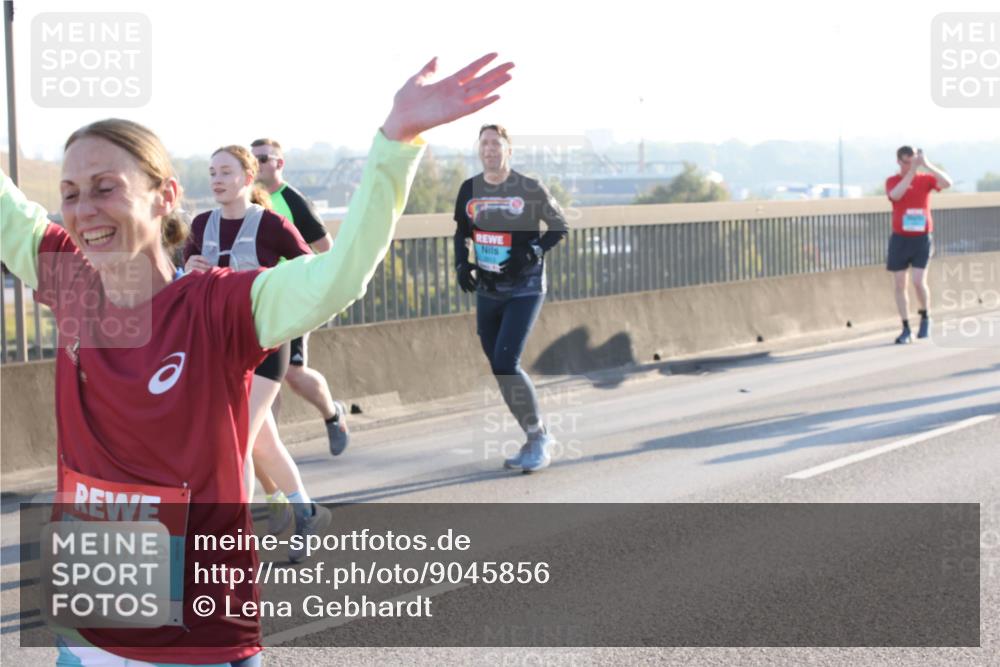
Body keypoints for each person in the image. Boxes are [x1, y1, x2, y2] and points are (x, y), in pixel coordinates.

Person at [1, 53, 512, 666]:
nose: (83, 210)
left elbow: (338, 276)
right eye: (70, 193)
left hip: (200, 641)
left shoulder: (219, 305)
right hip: (88, 633)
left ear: (165, 197)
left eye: (106, 188)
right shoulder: (68, 278)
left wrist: (395, 145)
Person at [183, 144, 329, 561]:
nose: (216, 179)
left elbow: (311, 271)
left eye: (226, 172)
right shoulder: (199, 224)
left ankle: (229, 543)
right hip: (219, 347)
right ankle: (307, 513)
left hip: (265, 344)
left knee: (236, 441)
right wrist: (189, 271)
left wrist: (276, 295)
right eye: (212, 172)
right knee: (262, 442)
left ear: (248, 178)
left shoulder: (272, 225)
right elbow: (182, 279)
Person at [453, 124, 568, 473]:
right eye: (484, 143)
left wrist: (531, 252)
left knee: (506, 362)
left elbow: (559, 226)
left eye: (496, 144)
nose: (489, 149)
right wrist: (462, 263)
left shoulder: (528, 188)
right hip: (489, 290)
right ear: (479, 149)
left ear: (508, 150)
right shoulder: (468, 189)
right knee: (500, 369)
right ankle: (533, 435)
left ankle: (539, 438)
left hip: (525, 288)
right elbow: (462, 230)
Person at [249, 137, 350, 458]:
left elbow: (327, 252)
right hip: (257, 301)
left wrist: (311, 290)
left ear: (280, 163)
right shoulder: (249, 200)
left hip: (292, 299)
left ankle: (333, 414)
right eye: (252, 160)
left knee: (292, 374)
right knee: (261, 378)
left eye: (263, 158)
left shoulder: (294, 201)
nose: (257, 165)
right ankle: (269, 454)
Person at [885, 146, 952, 344]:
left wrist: (927, 164)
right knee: (899, 283)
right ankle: (906, 327)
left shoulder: (925, 179)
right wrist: (911, 172)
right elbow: (895, 195)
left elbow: (947, 183)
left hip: (921, 237)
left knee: (917, 281)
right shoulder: (893, 180)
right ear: (899, 161)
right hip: (900, 238)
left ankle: (925, 316)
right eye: (907, 162)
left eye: (913, 161)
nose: (911, 165)